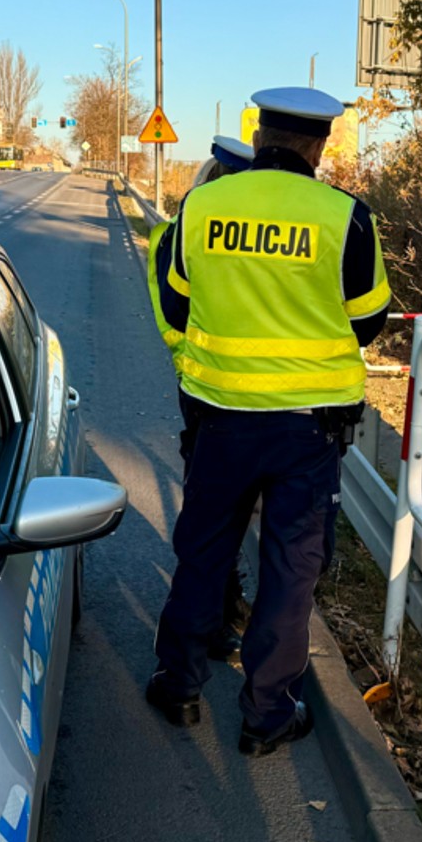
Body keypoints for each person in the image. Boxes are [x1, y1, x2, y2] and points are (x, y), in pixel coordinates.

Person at [145, 87, 390, 756]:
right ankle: (267, 716)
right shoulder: (345, 216)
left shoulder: (202, 206)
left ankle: (178, 686)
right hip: (308, 432)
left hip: (220, 417)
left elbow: (176, 297)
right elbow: (370, 320)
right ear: (319, 146)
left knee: (203, 554)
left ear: (258, 140)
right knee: (290, 572)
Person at [146, 134, 256, 659]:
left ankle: (209, 624)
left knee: (213, 519)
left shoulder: (180, 235)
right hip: (220, 392)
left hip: (207, 390)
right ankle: (212, 623)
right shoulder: (193, 238)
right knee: (217, 524)